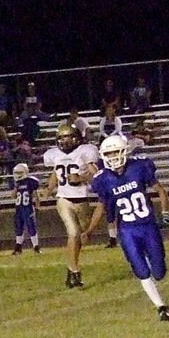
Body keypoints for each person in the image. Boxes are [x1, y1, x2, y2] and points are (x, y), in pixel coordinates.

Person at [86, 135, 169, 321]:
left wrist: (165, 213)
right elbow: (102, 206)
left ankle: (155, 272)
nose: (112, 157)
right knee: (141, 270)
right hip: (127, 230)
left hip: (148, 226)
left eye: (115, 152)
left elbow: (160, 189)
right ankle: (161, 307)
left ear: (125, 151)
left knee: (159, 272)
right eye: (108, 154)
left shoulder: (139, 167)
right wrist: (90, 230)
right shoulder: (103, 178)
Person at [43, 123, 100, 288]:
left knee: (80, 238)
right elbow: (55, 173)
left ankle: (70, 269)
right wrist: (48, 189)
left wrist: (81, 178)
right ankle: (75, 272)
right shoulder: (54, 154)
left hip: (82, 200)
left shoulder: (85, 152)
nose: (64, 140)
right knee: (74, 234)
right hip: (64, 200)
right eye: (61, 137)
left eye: (67, 136)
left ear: (75, 137)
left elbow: (96, 175)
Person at [10, 163, 41, 255]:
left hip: (28, 207)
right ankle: (18, 246)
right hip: (19, 208)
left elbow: (36, 195)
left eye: (20, 172)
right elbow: (13, 196)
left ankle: (36, 246)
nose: (18, 174)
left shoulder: (31, 181)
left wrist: (37, 206)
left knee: (31, 226)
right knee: (18, 227)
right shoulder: (17, 183)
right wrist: (16, 187)